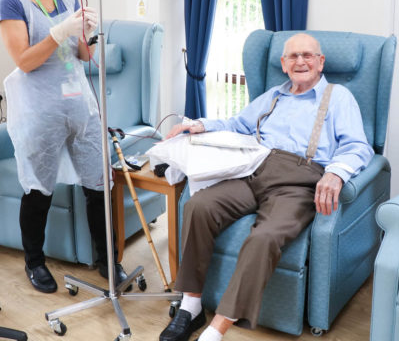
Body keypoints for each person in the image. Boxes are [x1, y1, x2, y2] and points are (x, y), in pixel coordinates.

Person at [159, 33, 374, 341]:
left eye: (308, 55)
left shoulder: (339, 97)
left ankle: (216, 330)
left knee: (265, 236)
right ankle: (191, 306)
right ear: (284, 65)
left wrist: (336, 173)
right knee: (199, 205)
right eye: (293, 57)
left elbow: (358, 145)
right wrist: (199, 125)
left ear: (321, 62)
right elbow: (238, 124)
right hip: (254, 168)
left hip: (299, 181)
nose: (300, 61)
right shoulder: (274, 95)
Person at [0, 0, 127, 294]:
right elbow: (24, 61)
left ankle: (107, 259)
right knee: (39, 189)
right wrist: (57, 32)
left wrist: (88, 33)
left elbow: (83, 55)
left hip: (80, 105)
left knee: (99, 184)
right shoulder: (11, 2)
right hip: (40, 110)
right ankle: (34, 262)